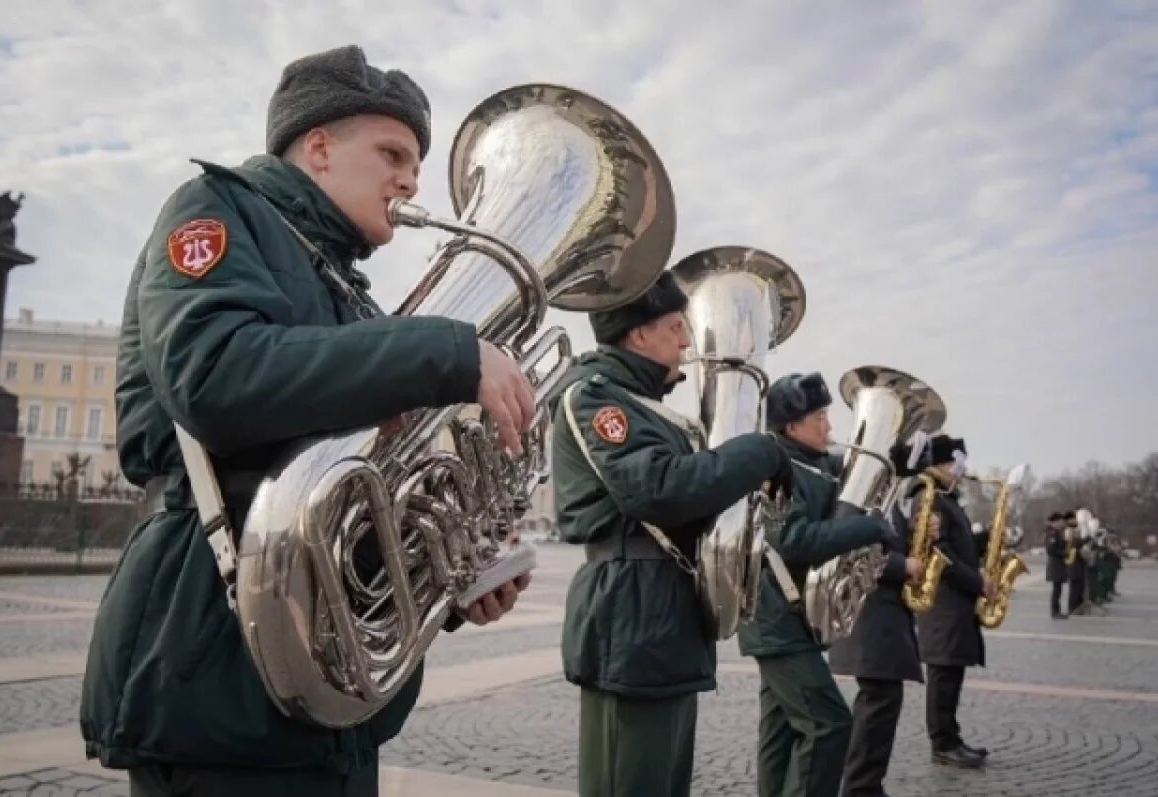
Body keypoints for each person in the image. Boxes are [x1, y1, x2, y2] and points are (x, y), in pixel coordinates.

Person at [80, 44, 536, 797]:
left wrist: (449, 580)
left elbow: (355, 491)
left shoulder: (343, 286)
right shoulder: (214, 211)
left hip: (326, 692)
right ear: (318, 147)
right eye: (391, 152)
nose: (410, 178)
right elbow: (215, 375)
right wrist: (445, 352)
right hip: (212, 669)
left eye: (417, 163)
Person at [549, 270, 795, 797]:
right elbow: (658, 491)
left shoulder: (649, 410)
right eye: (676, 326)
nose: (687, 340)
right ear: (639, 335)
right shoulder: (595, 399)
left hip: (659, 616)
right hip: (632, 615)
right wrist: (759, 451)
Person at [735, 372, 895, 797]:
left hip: (792, 617)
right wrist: (867, 528)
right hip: (775, 619)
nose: (829, 427)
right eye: (819, 417)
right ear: (791, 426)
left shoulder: (820, 464)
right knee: (829, 724)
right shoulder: (776, 469)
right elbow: (793, 539)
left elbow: (861, 485)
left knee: (782, 729)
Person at [828, 438, 939, 797]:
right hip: (870, 612)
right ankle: (860, 787)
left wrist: (922, 540)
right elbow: (851, 550)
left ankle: (865, 784)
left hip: (885, 614)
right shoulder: (864, 494)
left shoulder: (891, 498)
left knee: (882, 700)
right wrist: (901, 564)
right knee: (878, 700)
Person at [912, 434, 991, 769]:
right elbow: (940, 552)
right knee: (943, 674)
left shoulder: (947, 497)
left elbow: (956, 545)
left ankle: (951, 737)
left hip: (955, 602)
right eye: (953, 464)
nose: (959, 470)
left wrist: (989, 539)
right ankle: (942, 743)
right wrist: (977, 583)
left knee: (952, 672)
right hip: (944, 602)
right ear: (939, 464)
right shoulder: (928, 497)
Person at [1044, 512, 1069, 618]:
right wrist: (1064, 553)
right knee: (1056, 590)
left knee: (1058, 590)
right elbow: (1051, 549)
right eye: (1059, 521)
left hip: (1059, 565)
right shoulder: (1052, 533)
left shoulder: (1058, 532)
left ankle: (1057, 611)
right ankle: (1055, 612)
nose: (1061, 523)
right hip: (1055, 565)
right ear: (1055, 522)